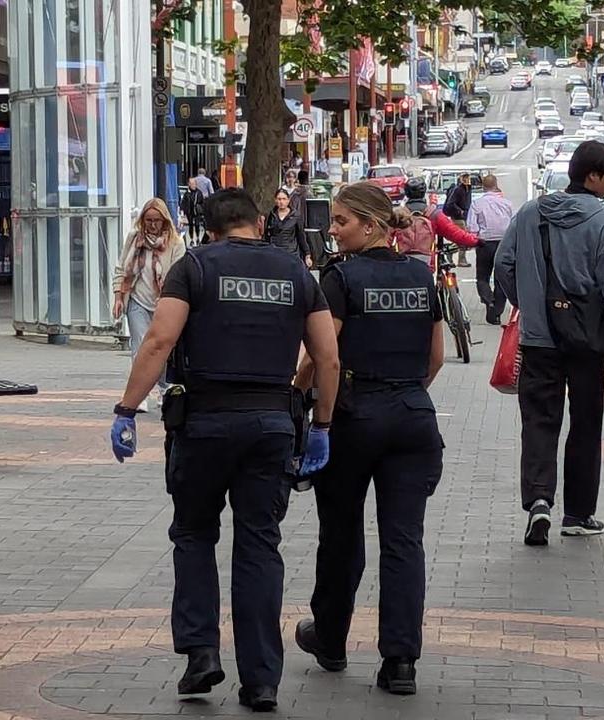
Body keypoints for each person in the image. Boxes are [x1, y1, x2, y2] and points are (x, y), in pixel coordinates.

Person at [109, 188, 341, 711]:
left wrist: (127, 410)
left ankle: (200, 655)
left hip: (204, 424)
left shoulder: (193, 267)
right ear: (259, 223)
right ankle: (261, 679)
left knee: (193, 534)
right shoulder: (296, 274)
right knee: (260, 545)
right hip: (270, 425)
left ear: (210, 230)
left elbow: (159, 341)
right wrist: (322, 423)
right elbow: (327, 358)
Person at [292, 182, 446, 697]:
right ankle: (400, 660)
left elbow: (322, 357)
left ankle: (331, 639)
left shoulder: (340, 279)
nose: (332, 231)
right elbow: (436, 358)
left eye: (341, 222)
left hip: (355, 416)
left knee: (340, 533)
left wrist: (312, 410)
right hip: (413, 417)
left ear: (372, 225)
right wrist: (404, 392)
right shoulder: (423, 276)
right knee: (404, 541)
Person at [494, 140, 604, 547]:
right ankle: (579, 514)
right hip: (586, 339)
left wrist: (527, 301)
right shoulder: (601, 223)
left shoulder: (531, 213)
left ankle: (538, 502)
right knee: (585, 424)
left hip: (538, 340)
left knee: (538, 422)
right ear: (593, 176)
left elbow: (503, 264)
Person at [112, 199, 188, 413]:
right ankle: (140, 395)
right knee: (140, 347)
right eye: (148, 220)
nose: (152, 225)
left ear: (164, 221)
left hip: (164, 302)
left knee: (162, 348)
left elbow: (178, 275)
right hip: (137, 299)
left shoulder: (175, 243)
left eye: (156, 221)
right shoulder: (134, 238)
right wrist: (118, 296)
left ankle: (164, 389)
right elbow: (122, 268)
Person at [397, 178, 479, 271]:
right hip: (427, 264)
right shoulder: (433, 214)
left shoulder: (398, 215)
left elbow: (385, 239)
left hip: (403, 264)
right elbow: (456, 234)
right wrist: (477, 241)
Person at [467, 175, 515, 324]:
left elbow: (471, 226)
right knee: (501, 278)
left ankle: (489, 300)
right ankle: (497, 310)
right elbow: (514, 223)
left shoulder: (477, 204)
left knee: (482, 277)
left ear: (482, 186)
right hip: (504, 244)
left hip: (485, 243)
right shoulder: (507, 204)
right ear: (496, 185)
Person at [265, 188, 312, 267]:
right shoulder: (272, 215)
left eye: (284, 199)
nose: (281, 202)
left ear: (288, 200)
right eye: (279, 199)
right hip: (275, 251)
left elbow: (301, 235)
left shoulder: (295, 216)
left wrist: (307, 254)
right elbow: (267, 234)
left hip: (290, 252)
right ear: (275, 200)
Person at [442, 173, 473, 267]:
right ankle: (461, 260)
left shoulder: (468, 189)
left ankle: (449, 251)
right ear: (461, 179)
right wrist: (460, 211)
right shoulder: (458, 189)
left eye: (467, 177)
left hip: (464, 217)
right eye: (464, 178)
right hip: (458, 218)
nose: (466, 179)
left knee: (461, 239)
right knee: (463, 239)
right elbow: (451, 203)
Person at [179, 177, 206, 245]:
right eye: (191, 184)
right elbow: (183, 202)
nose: (193, 185)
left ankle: (197, 238)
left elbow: (202, 202)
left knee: (197, 225)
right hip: (189, 211)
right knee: (190, 225)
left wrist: (202, 209)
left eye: (194, 184)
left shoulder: (199, 192)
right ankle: (191, 239)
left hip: (197, 211)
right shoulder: (187, 193)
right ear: (189, 184)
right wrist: (182, 211)